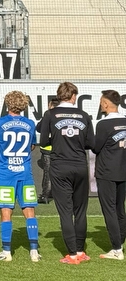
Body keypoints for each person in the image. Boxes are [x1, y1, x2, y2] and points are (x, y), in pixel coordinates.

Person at [38, 81, 94, 264]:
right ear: (73, 96)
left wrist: (59, 141)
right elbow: (90, 144)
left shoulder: (50, 114)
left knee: (65, 211)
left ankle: (71, 254)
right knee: (80, 211)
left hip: (60, 165)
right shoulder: (84, 115)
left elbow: (43, 140)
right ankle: (80, 251)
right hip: (80, 165)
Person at [0, 90, 41, 262]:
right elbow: (32, 146)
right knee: (29, 210)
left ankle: (7, 252)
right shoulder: (30, 123)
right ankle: (34, 251)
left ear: (8, 104)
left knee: (6, 210)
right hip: (25, 172)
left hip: (6, 173)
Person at [92, 90, 126, 260]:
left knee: (110, 210)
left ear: (106, 104)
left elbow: (96, 147)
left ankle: (116, 249)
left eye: (101, 102)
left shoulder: (103, 124)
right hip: (123, 170)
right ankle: (120, 242)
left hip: (106, 172)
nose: (100, 105)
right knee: (120, 209)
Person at [37, 96, 59, 204]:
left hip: (47, 149)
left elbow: (39, 128)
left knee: (48, 174)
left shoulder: (48, 115)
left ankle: (45, 195)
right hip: (60, 149)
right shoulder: (62, 117)